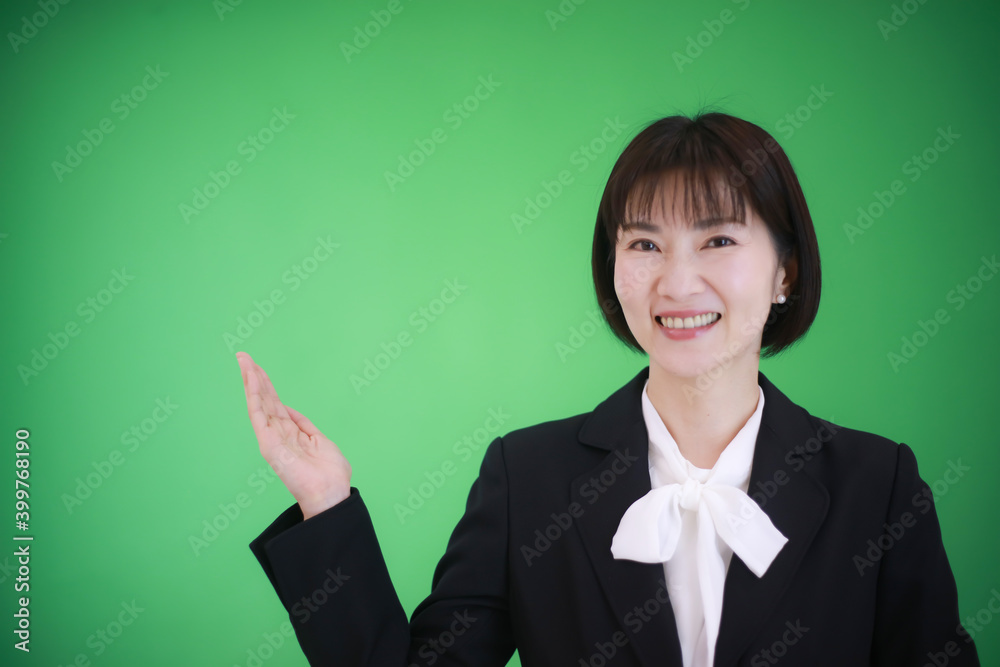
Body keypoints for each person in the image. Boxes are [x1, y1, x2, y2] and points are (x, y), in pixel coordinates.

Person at [237, 110, 980, 666]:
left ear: (785, 271)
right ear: (613, 265)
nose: (677, 283)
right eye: (645, 243)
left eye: (719, 240)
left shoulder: (877, 485)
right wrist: (325, 502)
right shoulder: (527, 478)